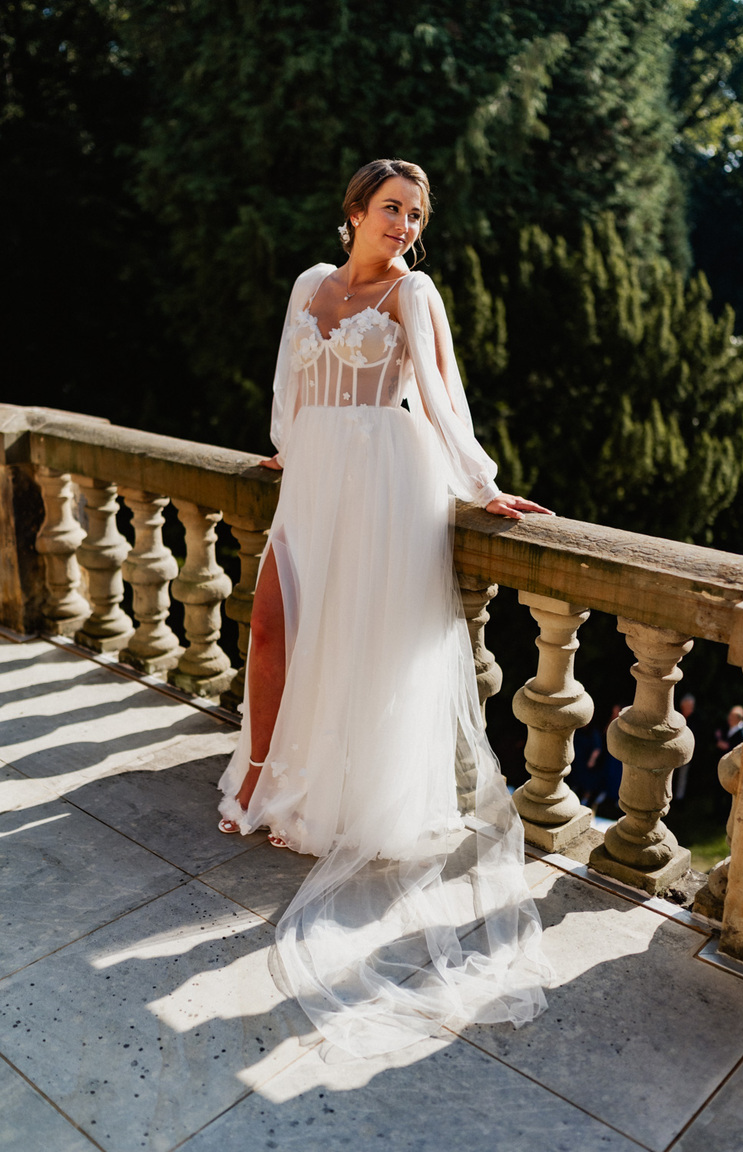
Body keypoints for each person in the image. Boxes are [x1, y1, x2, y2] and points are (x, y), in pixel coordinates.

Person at [217, 159, 553, 1058]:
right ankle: (257, 770)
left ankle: (325, 795)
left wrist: (483, 487)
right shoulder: (309, 285)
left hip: (383, 480)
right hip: (316, 474)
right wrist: (289, 448)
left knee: (357, 642)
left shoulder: (417, 293)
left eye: (415, 214)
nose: (404, 224)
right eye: (391, 209)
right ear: (354, 212)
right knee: (274, 621)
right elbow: (289, 381)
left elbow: (443, 394)